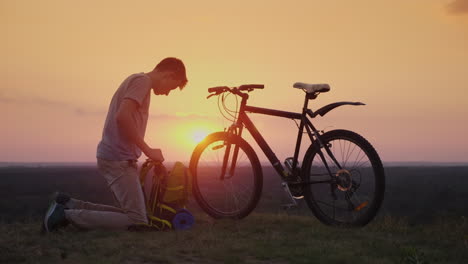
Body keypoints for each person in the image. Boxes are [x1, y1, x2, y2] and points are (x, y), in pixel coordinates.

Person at [43, 57, 188, 232]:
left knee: (132, 213)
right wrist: (148, 150)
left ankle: (68, 204)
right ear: (169, 74)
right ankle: (66, 216)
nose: (167, 93)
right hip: (118, 159)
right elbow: (123, 117)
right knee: (137, 219)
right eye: (171, 88)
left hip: (114, 156)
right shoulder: (142, 82)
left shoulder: (139, 81)